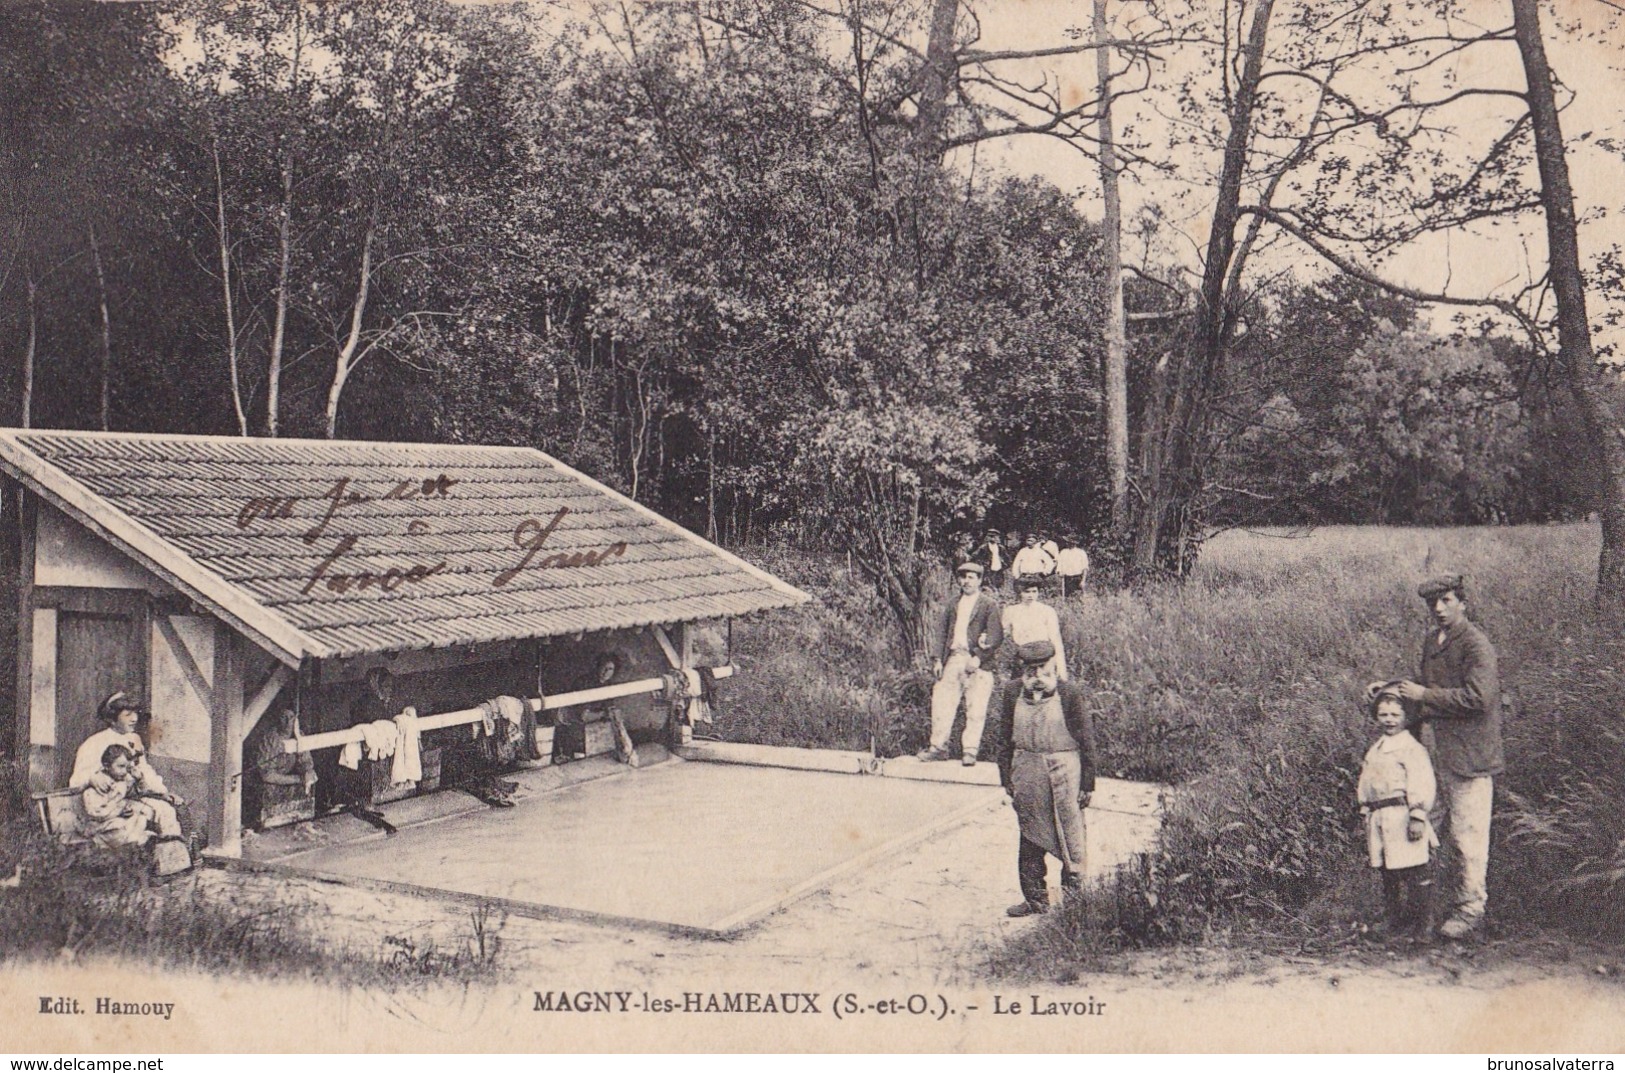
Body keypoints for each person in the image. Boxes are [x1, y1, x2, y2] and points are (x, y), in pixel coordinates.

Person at [1366, 573, 1502, 940]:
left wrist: (1424, 695)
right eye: (1433, 603)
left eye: (1447, 601)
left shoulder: (1476, 644)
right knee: (1422, 828)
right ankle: (1422, 910)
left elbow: (1479, 699)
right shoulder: (1433, 640)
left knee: (1467, 837)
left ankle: (1470, 911)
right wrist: (1392, 688)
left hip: (1469, 756)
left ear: (1463, 603)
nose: (1439, 609)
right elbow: (1424, 684)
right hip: (1433, 753)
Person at [996, 640, 1097, 917]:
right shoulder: (1011, 692)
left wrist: (1088, 783)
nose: (1037, 678)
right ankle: (1035, 899)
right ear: (1023, 672)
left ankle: (1075, 902)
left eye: (1042, 670)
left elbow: (1087, 741)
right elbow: (1003, 739)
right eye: (1030, 671)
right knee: (1030, 833)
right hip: (1027, 770)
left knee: (1071, 835)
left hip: (1066, 771)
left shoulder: (1070, 694)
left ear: (1053, 667)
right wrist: (1006, 777)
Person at [1357, 687, 1438, 943]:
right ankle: (1396, 920)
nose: (1389, 720)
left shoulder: (1411, 748)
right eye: (1384, 714)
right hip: (1380, 816)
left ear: (1406, 716)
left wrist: (1417, 815)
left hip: (1402, 815)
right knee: (1388, 872)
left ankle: (1424, 925)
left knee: (1415, 870)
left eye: (1395, 714)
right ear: (1376, 717)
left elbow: (1422, 781)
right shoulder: (1376, 749)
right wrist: (1365, 807)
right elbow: (1367, 781)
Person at [70, 692, 185, 842]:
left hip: (131, 797)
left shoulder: (133, 739)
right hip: (106, 805)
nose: (134, 719)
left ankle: (174, 856)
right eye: (128, 715)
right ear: (112, 718)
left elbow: (144, 769)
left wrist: (162, 792)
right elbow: (76, 780)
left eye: (136, 713)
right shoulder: (94, 743)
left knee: (167, 810)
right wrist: (92, 778)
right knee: (145, 817)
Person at [919, 562, 1004, 766]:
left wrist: (978, 657)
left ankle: (970, 751)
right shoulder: (953, 603)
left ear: (980, 580)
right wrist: (938, 659)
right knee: (942, 702)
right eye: (963, 577)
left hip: (977, 663)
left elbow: (996, 635)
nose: (966, 581)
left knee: (976, 707)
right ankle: (938, 748)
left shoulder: (988, 605)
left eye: (971, 577)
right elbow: (941, 632)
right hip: (954, 658)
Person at [77, 743, 184, 849]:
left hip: (118, 816)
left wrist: (139, 780)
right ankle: (145, 843)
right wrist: (119, 811)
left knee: (146, 816)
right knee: (130, 826)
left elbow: (139, 792)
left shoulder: (122, 780)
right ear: (106, 765)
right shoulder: (99, 784)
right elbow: (96, 812)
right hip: (102, 825)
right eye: (121, 766)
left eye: (127, 768)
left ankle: (171, 843)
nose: (124, 772)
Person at [245, 707, 317, 829]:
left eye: (292, 717)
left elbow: (306, 761)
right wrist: (298, 779)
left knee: (310, 782)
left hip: (286, 776)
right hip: (267, 781)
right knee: (269, 790)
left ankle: (300, 819)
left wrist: (308, 771)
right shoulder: (270, 739)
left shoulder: (299, 735)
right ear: (278, 718)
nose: (288, 722)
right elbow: (267, 775)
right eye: (284, 717)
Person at [1001, 574, 1068, 682]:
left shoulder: (1047, 611)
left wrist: (1061, 668)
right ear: (1020, 592)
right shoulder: (1011, 611)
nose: (1031, 595)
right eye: (1027, 592)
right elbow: (1002, 634)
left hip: (1044, 656)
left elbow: (1056, 640)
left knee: (1044, 688)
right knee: (1018, 690)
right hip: (1023, 656)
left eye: (1034, 591)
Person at [970, 528, 1006, 592]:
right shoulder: (983, 548)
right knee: (987, 587)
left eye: (994, 536)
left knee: (998, 586)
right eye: (991, 536)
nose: (993, 538)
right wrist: (982, 564)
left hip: (998, 571)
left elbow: (1007, 559)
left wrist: (1003, 564)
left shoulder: (1001, 548)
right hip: (988, 571)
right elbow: (974, 557)